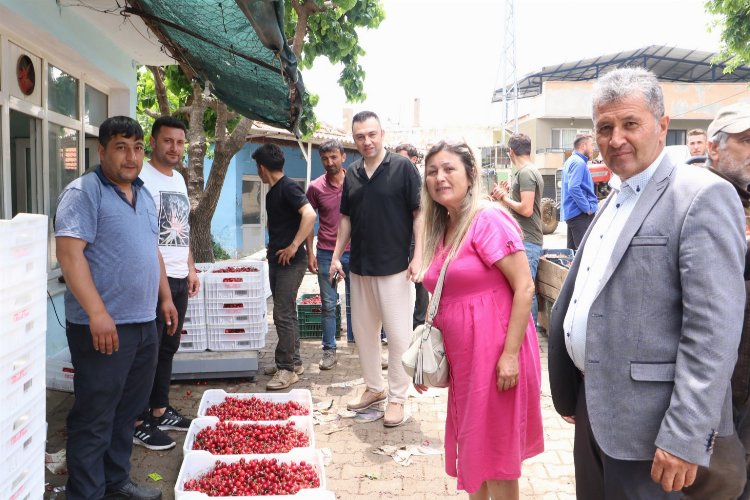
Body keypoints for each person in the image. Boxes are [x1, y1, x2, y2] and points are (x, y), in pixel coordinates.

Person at [548, 67, 746, 499]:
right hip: (596, 413)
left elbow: (713, 332)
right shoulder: (613, 200)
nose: (616, 138)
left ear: (662, 126)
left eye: (630, 123)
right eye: (605, 127)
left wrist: (684, 436)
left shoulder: (700, 196)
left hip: (655, 436)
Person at [55, 116, 178, 500]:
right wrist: (96, 312)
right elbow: (69, 255)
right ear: (102, 150)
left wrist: (165, 297)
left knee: (128, 412)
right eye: (122, 147)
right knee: (95, 416)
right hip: (104, 328)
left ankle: (115, 481)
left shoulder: (143, 194)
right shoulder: (84, 192)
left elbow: (151, 251)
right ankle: (86, 492)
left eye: (138, 148)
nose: (131, 156)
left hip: (144, 323)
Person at [416, 140, 543, 499]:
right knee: (477, 449)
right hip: (466, 358)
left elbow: (524, 287)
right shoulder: (445, 226)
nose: (439, 177)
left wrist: (508, 356)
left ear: (471, 174)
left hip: (497, 353)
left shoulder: (487, 219)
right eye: (432, 171)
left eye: (449, 169)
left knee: (497, 456)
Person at [329, 111, 422, 428]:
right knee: (364, 334)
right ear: (353, 140)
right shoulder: (352, 173)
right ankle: (374, 387)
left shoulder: (403, 167)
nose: (366, 141)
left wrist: (419, 255)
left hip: (395, 268)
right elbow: (345, 219)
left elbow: (419, 213)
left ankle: (397, 397)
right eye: (359, 137)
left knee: (398, 337)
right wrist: (335, 255)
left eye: (371, 134)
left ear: (382, 133)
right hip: (360, 268)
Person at [683, 103, 750, 500]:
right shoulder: (693, 196)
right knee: (719, 484)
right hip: (711, 383)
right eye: (745, 141)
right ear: (713, 148)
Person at [131, 116, 200, 451]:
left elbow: (182, 228)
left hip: (177, 275)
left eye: (180, 142)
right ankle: (138, 420)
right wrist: (163, 292)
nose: (174, 148)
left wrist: (191, 268)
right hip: (152, 279)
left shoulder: (179, 180)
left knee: (168, 348)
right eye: (168, 141)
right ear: (153, 142)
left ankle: (160, 409)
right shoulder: (141, 178)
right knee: (148, 351)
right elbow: (145, 239)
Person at [254, 143, 316, 390]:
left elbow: (310, 215)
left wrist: (294, 247)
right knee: (287, 312)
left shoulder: (288, 187)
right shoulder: (273, 192)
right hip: (277, 260)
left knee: (281, 314)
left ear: (261, 168)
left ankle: (287, 369)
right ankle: (294, 361)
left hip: (290, 262)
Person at [305, 139, 353, 369]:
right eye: (324, 158)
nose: (329, 162)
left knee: (359, 302)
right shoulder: (315, 187)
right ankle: (329, 350)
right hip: (326, 252)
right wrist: (309, 253)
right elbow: (307, 219)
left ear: (343, 157)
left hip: (356, 253)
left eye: (334, 157)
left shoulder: (355, 182)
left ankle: (358, 345)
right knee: (328, 303)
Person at [490, 133, 544, 324]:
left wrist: (504, 198)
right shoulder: (527, 172)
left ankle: (530, 334)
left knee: (525, 288)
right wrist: (503, 197)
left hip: (528, 240)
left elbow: (526, 209)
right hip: (525, 239)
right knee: (523, 287)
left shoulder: (526, 173)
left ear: (511, 152)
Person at [394, 143, 429, 329]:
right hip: (398, 239)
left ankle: (419, 325)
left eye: (402, 158)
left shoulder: (424, 181)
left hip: (419, 239)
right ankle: (398, 324)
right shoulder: (393, 181)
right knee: (397, 282)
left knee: (421, 284)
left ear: (413, 160)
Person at [561, 134, 598, 250]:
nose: (593, 148)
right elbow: (573, 187)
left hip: (572, 214)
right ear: (583, 146)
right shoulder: (579, 163)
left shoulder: (570, 161)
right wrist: (587, 208)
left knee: (572, 256)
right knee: (585, 255)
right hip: (580, 215)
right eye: (591, 145)